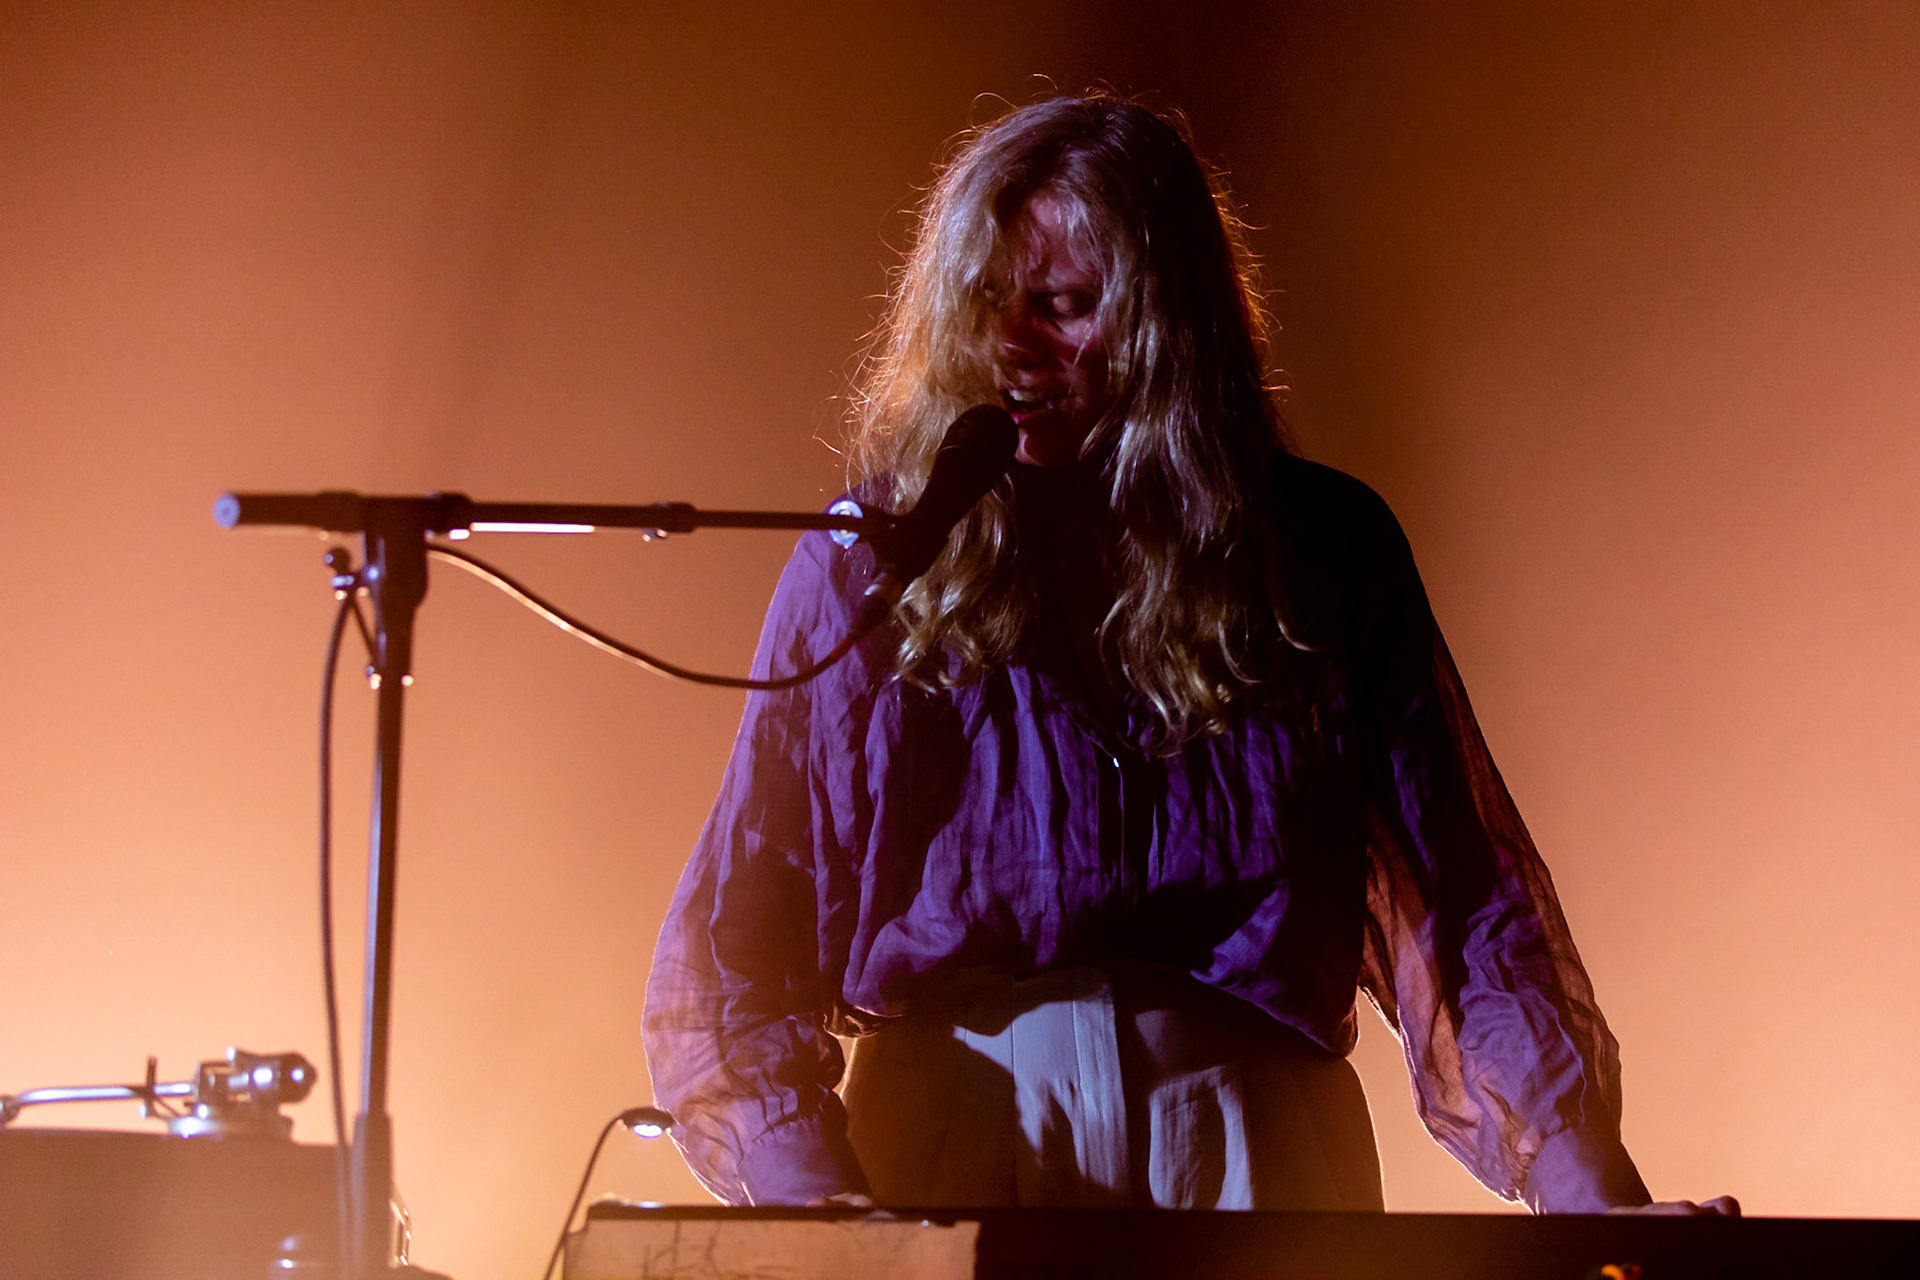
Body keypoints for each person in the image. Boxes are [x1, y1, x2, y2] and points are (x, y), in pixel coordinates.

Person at [643, 94, 1735, 1216]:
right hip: (950, 1145)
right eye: (986, 302)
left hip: (1256, 1151)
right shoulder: (867, 564)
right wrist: (816, 1206)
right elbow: (740, 935)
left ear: (1171, 323)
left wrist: (1595, 1199)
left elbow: (1468, 908)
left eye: (1062, 304)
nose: (1013, 342)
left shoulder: (1322, 549)